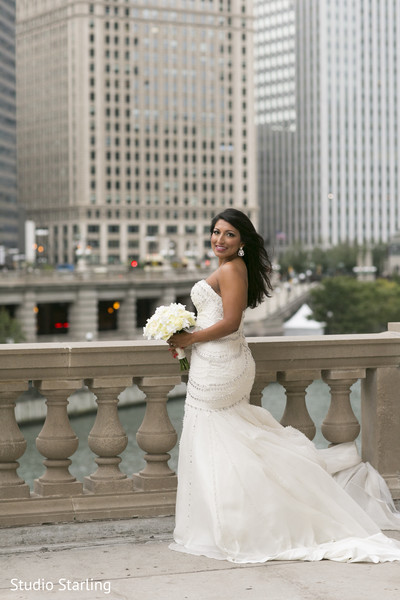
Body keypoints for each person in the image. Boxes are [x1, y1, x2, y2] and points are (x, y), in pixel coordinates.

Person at [167, 208, 400, 563]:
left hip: (220, 363)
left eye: (229, 234)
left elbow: (230, 322)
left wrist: (190, 337)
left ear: (243, 240)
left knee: (214, 434)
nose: (220, 239)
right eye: (216, 232)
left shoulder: (231, 269)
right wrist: (186, 336)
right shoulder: (234, 267)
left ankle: (238, 521)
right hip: (218, 361)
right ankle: (225, 515)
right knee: (223, 435)